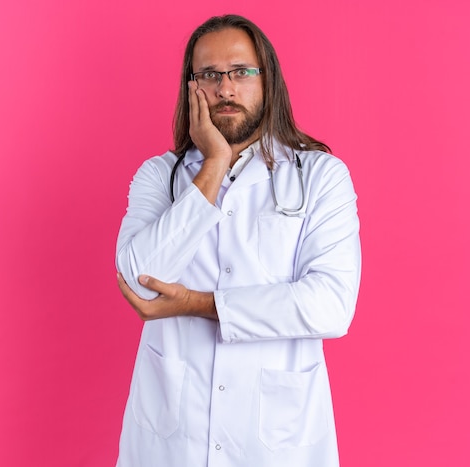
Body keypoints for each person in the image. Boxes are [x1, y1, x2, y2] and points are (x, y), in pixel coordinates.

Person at [114, 14, 361, 467]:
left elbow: (331, 304)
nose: (225, 89)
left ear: (268, 81)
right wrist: (212, 165)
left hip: (275, 445)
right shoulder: (158, 176)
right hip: (172, 441)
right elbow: (141, 284)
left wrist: (198, 302)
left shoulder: (322, 177)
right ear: (192, 88)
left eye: (241, 72)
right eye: (209, 74)